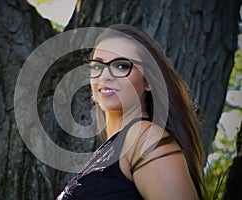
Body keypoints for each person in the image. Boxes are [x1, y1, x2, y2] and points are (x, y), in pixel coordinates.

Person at [57, 24, 206, 200]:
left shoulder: (146, 138)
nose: (105, 76)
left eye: (121, 66)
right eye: (97, 66)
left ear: (148, 81)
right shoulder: (113, 150)